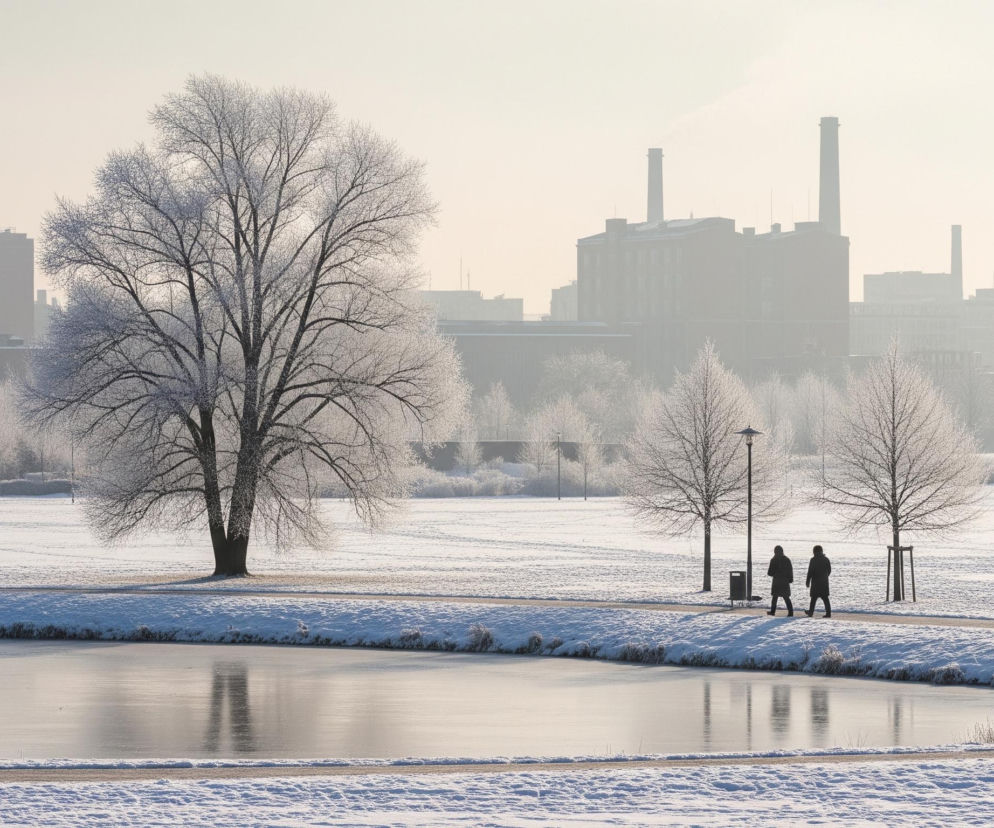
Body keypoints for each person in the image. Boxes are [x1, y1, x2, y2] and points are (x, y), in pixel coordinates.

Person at [804, 545, 832, 618]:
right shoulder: (826, 559)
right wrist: (825, 576)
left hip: (815, 582)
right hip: (824, 582)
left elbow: (810, 572)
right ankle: (828, 613)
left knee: (813, 598)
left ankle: (810, 612)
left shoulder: (813, 560)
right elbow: (829, 570)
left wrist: (808, 581)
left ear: (814, 551)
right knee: (825, 598)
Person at [766, 545, 793, 616]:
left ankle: (772, 611)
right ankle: (790, 612)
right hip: (784, 581)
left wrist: (775, 573)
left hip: (776, 581)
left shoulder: (773, 560)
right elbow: (790, 570)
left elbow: (769, 573)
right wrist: (790, 579)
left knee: (775, 597)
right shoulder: (787, 559)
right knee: (786, 597)